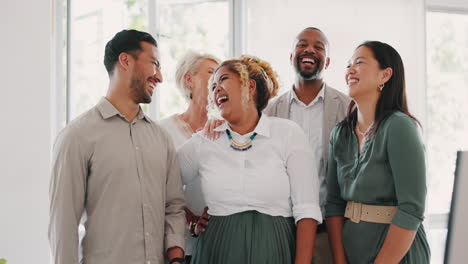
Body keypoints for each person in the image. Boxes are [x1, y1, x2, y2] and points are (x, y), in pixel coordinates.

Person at [48, 29, 186, 264]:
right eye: (154, 64)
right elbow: (63, 224)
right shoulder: (77, 135)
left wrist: (175, 258)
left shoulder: (161, 139)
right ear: (125, 61)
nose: (160, 77)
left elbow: (173, 207)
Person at [177, 57, 322, 264]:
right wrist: (190, 220)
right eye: (213, 86)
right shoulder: (204, 141)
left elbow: (307, 208)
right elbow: (162, 184)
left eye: (223, 79)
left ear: (250, 86)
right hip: (216, 250)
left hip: (275, 249)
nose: (216, 89)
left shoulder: (287, 133)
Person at [325, 41, 431, 263]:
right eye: (348, 65)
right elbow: (334, 204)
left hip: (398, 256)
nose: (350, 70)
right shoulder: (340, 134)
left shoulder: (399, 127)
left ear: (385, 75)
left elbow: (411, 209)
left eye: (359, 62)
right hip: (354, 253)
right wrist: (340, 260)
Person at [264, 27, 350, 263]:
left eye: (318, 46)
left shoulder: (348, 108)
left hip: (328, 233)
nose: (309, 49)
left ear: (328, 61)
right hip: (281, 231)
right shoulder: (269, 111)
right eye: (302, 44)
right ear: (292, 57)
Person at [160, 51, 220, 263]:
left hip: (218, 247)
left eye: (222, 76)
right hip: (178, 249)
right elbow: (160, 189)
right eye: (212, 73)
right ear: (189, 80)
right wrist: (191, 220)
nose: (218, 81)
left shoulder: (224, 131)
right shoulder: (162, 131)